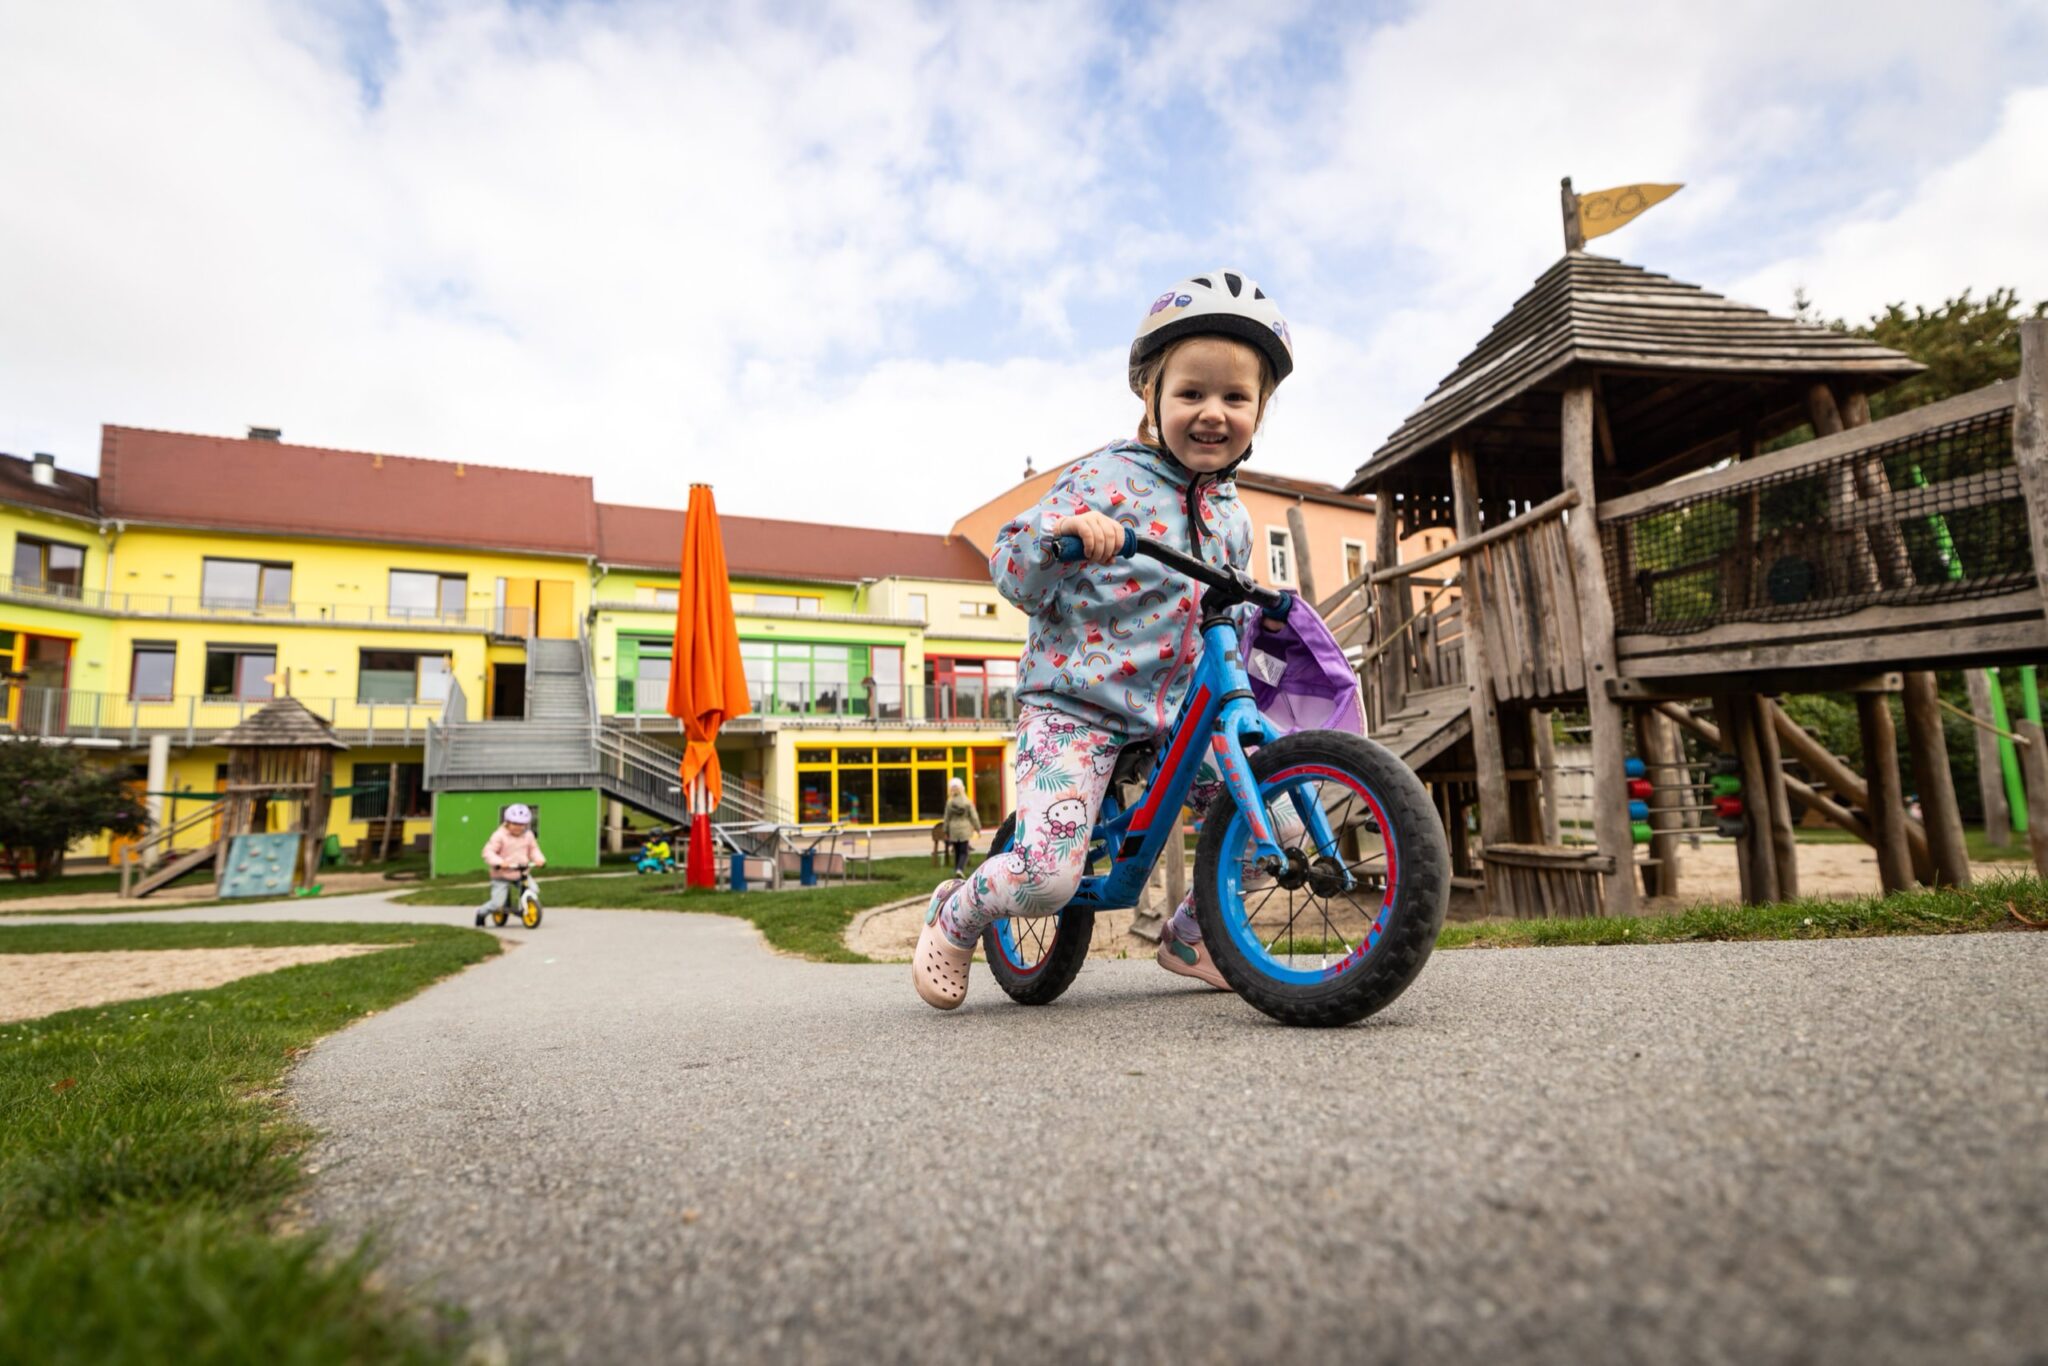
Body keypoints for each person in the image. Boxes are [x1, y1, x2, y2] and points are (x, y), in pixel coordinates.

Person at [912, 269, 1294, 1010]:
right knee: (1046, 878)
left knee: (1272, 823)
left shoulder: (1233, 517)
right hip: (1078, 703)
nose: (1212, 413)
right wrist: (1065, 535)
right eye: (1191, 393)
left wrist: (1260, 599)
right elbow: (1011, 565)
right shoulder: (1106, 477)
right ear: (1151, 395)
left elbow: (1220, 613)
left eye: (1235, 398)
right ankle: (956, 913)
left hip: (1176, 715)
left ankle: (1195, 935)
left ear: (1260, 409)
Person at [474, 802, 546, 926]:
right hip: (502, 874)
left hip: (521, 873)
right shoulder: (499, 835)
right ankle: (481, 913)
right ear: (507, 822)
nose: (518, 827)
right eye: (515, 823)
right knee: (497, 904)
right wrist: (500, 862)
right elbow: (488, 852)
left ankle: (525, 907)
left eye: (522, 824)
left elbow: (533, 849)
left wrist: (539, 859)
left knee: (533, 890)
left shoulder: (528, 836)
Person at [942, 777, 981, 878]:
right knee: (964, 852)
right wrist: (978, 828)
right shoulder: (967, 801)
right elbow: (974, 816)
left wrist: (945, 831)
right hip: (964, 829)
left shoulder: (949, 803)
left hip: (953, 830)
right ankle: (960, 869)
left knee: (957, 852)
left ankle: (957, 870)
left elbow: (946, 818)